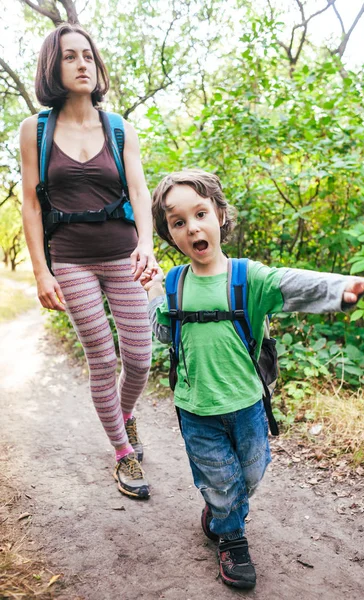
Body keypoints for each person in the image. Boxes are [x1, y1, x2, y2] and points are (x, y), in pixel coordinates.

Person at [140, 169, 364, 589]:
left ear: (219, 214)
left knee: (252, 472)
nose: (192, 227)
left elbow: (290, 283)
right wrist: (151, 296)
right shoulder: (173, 283)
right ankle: (232, 537)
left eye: (200, 213)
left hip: (247, 404)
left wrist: (344, 287)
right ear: (169, 233)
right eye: (178, 222)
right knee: (219, 478)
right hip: (196, 407)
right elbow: (163, 334)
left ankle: (221, 509)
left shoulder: (246, 277)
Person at [20, 23, 155, 500]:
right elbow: (31, 205)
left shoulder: (118, 127)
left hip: (122, 252)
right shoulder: (35, 130)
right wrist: (41, 270)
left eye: (88, 56)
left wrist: (147, 245)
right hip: (71, 259)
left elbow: (138, 191)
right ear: (52, 67)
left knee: (139, 358)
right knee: (101, 357)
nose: (82, 64)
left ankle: (126, 413)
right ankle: (123, 453)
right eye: (70, 57)